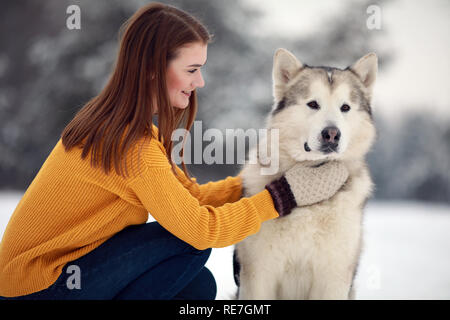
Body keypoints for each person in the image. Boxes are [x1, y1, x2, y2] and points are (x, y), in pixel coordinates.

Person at [0, 3, 348, 300]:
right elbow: (198, 229)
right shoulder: (130, 146)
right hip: (37, 285)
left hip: (66, 269)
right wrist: (281, 197)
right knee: (189, 245)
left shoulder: (130, 129)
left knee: (196, 287)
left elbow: (191, 197)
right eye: (192, 70)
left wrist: (256, 184)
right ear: (153, 70)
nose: (200, 82)